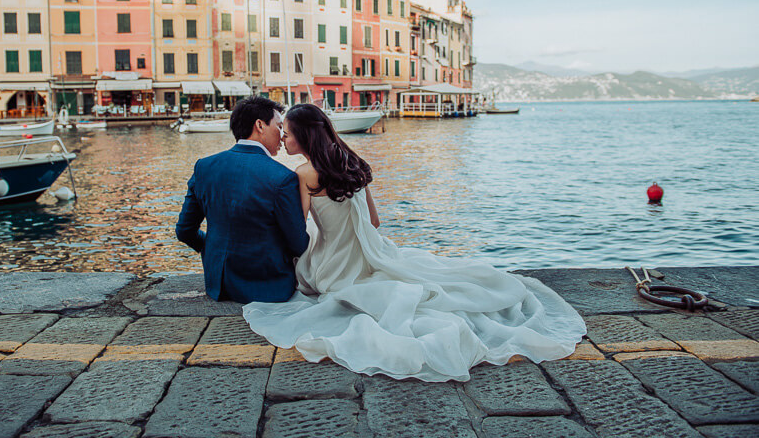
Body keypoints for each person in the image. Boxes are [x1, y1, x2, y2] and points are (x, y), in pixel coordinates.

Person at [243, 104, 586, 382]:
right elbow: (374, 223)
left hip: (332, 268)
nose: (284, 137)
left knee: (306, 272)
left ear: (303, 134)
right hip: (369, 255)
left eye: (287, 131)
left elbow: (297, 230)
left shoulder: (302, 174)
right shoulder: (352, 162)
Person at [176, 96, 309, 303]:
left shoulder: (204, 167)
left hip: (218, 285)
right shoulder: (283, 178)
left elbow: (184, 231)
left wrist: (211, 247)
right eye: (279, 126)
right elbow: (298, 244)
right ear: (260, 125)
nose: (282, 136)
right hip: (267, 286)